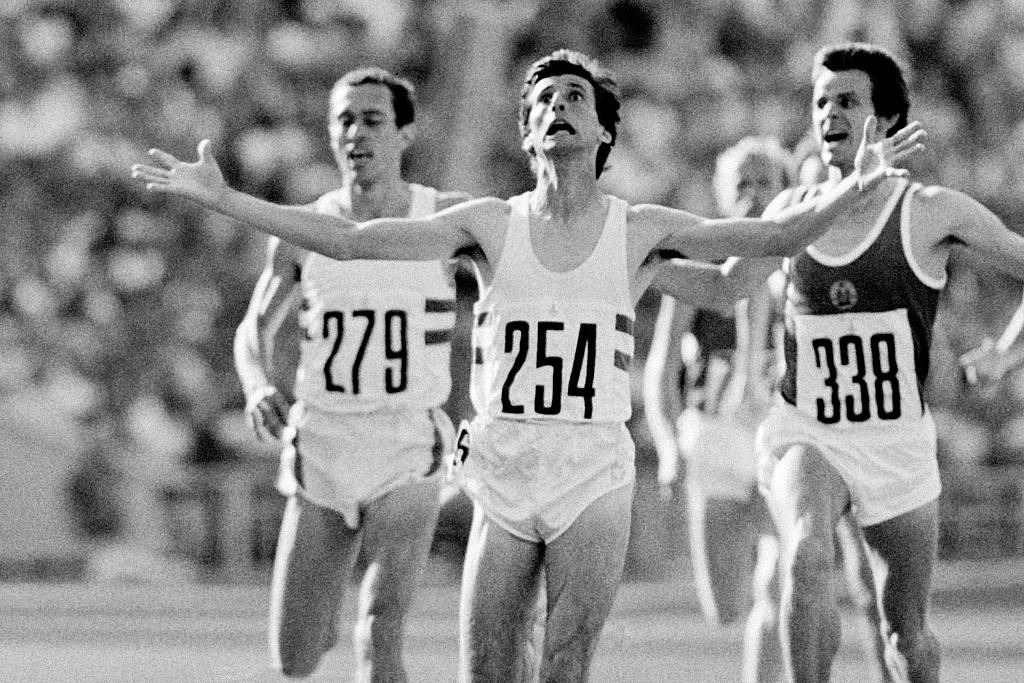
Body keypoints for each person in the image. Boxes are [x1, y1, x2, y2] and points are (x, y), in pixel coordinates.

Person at [131, 48, 924, 682]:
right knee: (487, 669)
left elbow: (771, 241)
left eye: (575, 97)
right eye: (543, 101)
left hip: (592, 466)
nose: (557, 108)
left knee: (565, 665)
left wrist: (854, 189)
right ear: (526, 135)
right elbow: (346, 240)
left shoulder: (637, 228)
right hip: (504, 461)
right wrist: (225, 198)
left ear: (603, 134)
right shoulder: (488, 223)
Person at [721, 43, 1024, 683]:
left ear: (884, 121)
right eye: (820, 102)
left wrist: (1006, 351)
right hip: (809, 430)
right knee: (805, 555)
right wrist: (635, 254)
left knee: (905, 634)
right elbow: (726, 286)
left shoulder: (932, 212)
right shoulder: (790, 213)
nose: (828, 114)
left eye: (847, 101)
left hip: (895, 443)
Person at [232, 67, 471, 680]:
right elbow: (254, 327)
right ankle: (323, 619)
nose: (355, 133)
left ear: (405, 133)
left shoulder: (445, 219)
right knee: (295, 658)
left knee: (380, 625)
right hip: (323, 443)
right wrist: (257, 384)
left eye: (372, 120)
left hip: (406, 441)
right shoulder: (303, 231)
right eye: (344, 120)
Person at [646, 137, 887, 683]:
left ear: (786, 192)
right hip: (715, 439)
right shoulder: (702, 267)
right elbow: (662, 366)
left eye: (765, 183)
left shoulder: (805, 264)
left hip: (782, 434)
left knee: (781, 583)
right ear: (721, 196)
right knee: (725, 606)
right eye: (742, 185)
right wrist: (667, 446)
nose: (754, 196)